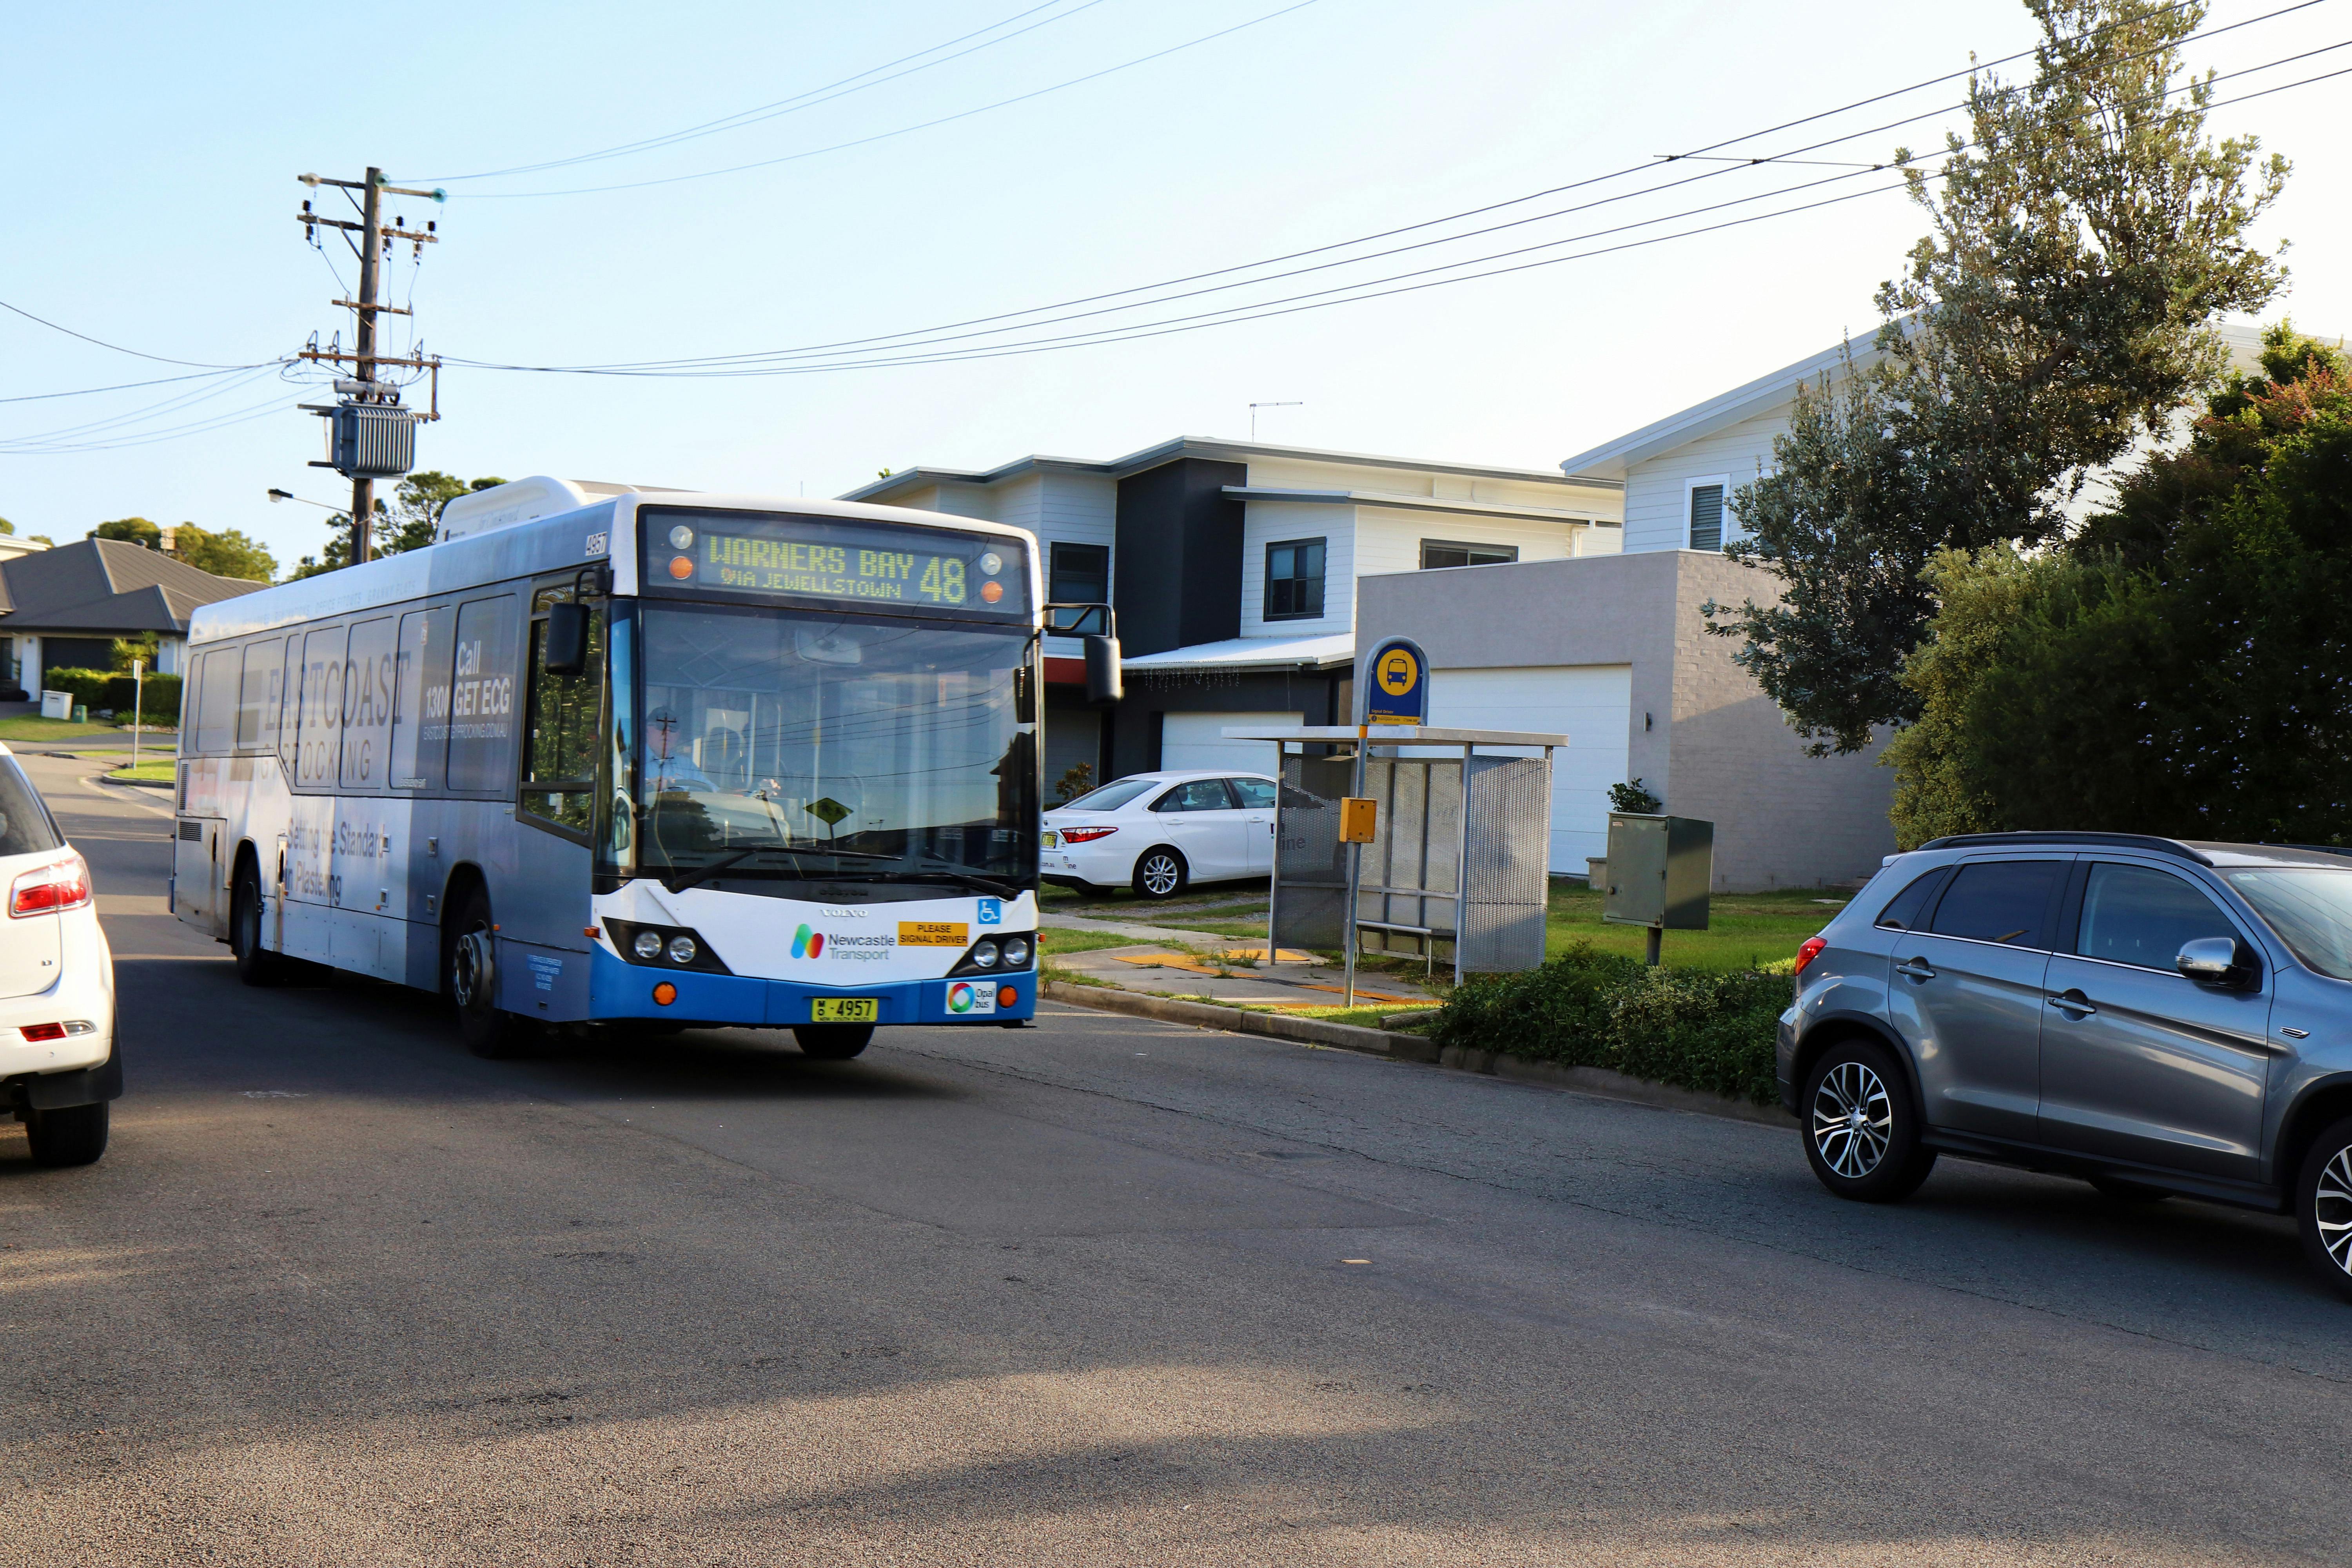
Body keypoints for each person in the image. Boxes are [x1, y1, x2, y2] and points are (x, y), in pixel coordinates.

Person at [643, 705, 715, 794]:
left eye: (673, 727)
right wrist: (647, 786)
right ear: (647, 730)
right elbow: (626, 793)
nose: (667, 731)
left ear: (678, 735)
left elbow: (711, 790)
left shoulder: (686, 764)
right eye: (661, 725)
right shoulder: (632, 760)